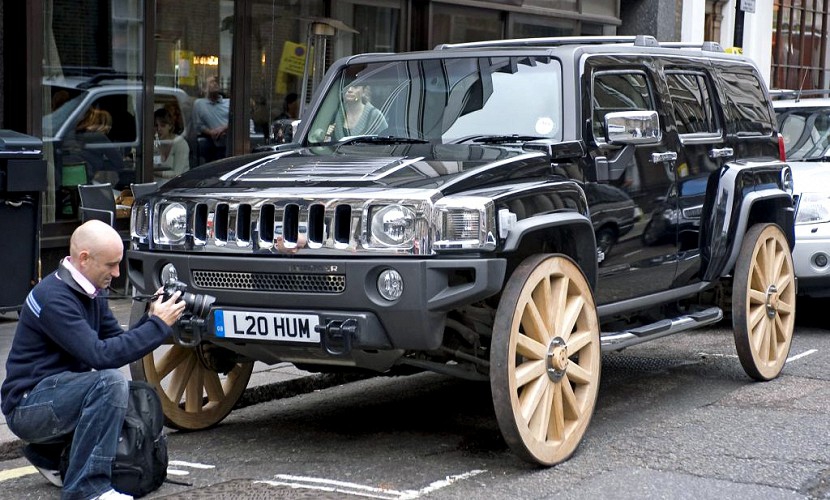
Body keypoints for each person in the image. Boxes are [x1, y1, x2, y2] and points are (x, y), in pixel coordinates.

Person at [0, 220, 186, 500]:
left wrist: (151, 318)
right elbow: (101, 356)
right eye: (111, 264)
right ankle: (87, 489)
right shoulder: (54, 298)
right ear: (84, 259)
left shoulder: (89, 290)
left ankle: (51, 456)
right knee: (109, 385)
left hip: (59, 394)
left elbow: (117, 343)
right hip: (27, 406)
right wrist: (157, 326)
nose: (117, 272)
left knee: (130, 392)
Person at [64, 108, 125, 185]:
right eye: (109, 125)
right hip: (85, 182)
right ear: (104, 125)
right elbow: (119, 163)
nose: (109, 129)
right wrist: (100, 164)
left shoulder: (70, 135)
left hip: (64, 180)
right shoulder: (98, 137)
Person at [310, 85, 387, 142]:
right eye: (347, 86)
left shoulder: (374, 115)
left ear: (364, 91)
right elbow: (325, 142)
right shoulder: (337, 113)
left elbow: (387, 141)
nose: (350, 90)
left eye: (355, 87)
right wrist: (327, 135)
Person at [192, 75, 229, 162]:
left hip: (229, 144)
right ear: (204, 88)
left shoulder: (229, 103)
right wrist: (211, 132)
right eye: (211, 82)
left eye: (216, 82)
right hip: (211, 144)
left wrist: (224, 128)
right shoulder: (199, 104)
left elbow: (237, 120)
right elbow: (198, 125)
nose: (215, 83)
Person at [153, 107, 190, 181]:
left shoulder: (180, 143)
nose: (159, 129)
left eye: (163, 125)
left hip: (176, 184)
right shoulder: (152, 143)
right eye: (156, 125)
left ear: (170, 126)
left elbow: (178, 173)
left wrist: (155, 172)